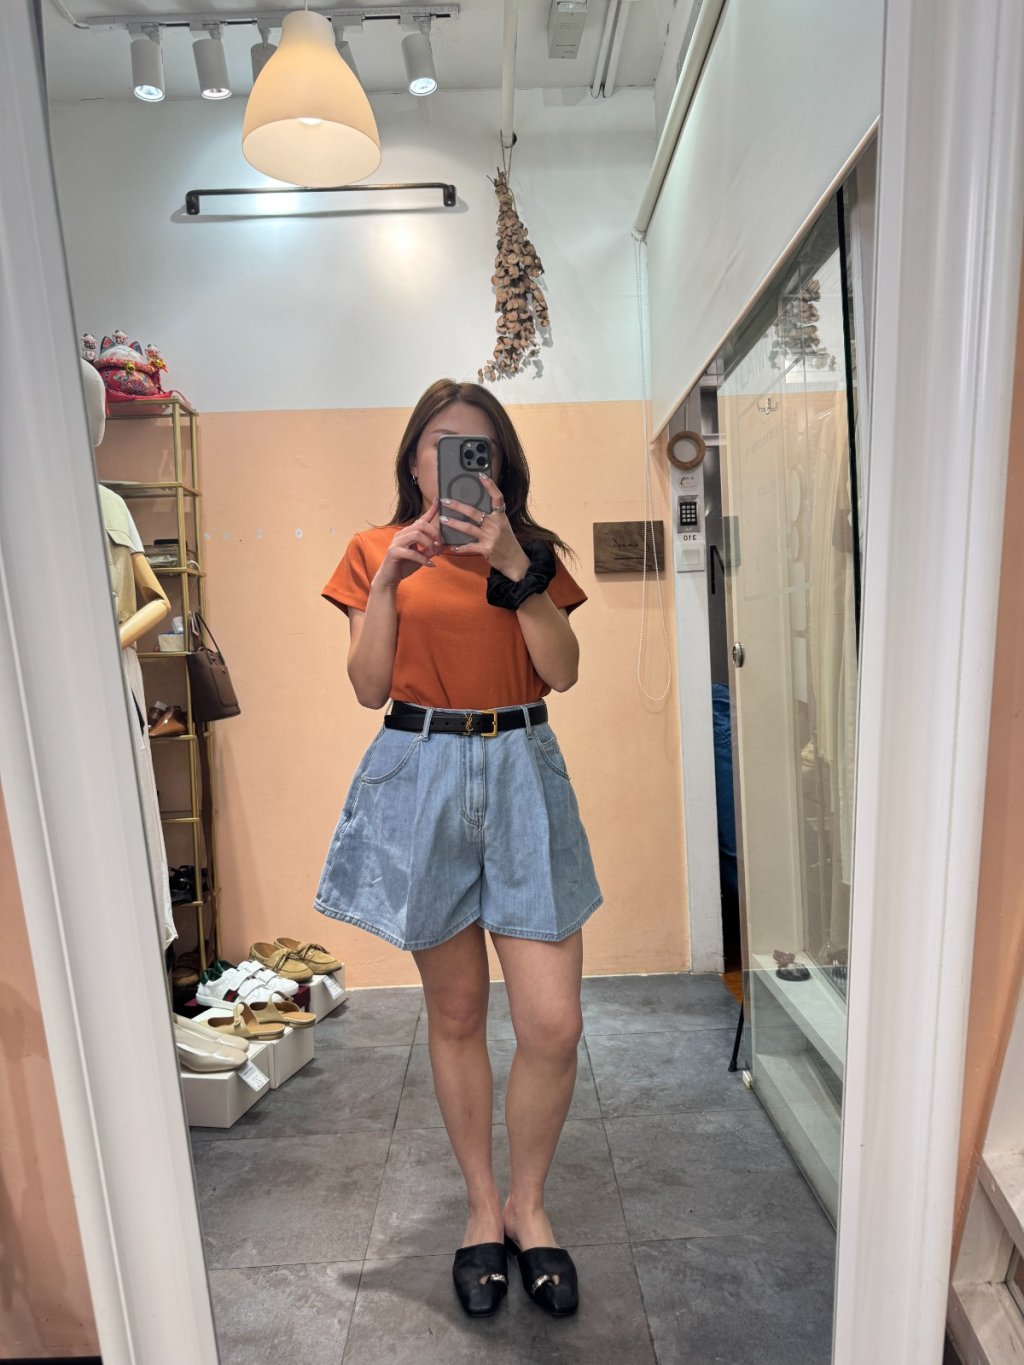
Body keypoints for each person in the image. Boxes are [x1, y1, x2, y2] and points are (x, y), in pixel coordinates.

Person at [315, 378, 603, 1319]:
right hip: (424, 766)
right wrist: (389, 581)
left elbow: (561, 670)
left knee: (553, 1022)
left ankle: (530, 1203)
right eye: (443, 445)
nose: (459, 463)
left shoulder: (533, 552)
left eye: (479, 447)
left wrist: (516, 565)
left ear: (501, 464)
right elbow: (368, 687)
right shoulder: (372, 551)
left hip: (521, 766)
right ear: (415, 459)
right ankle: (485, 1205)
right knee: (457, 1011)